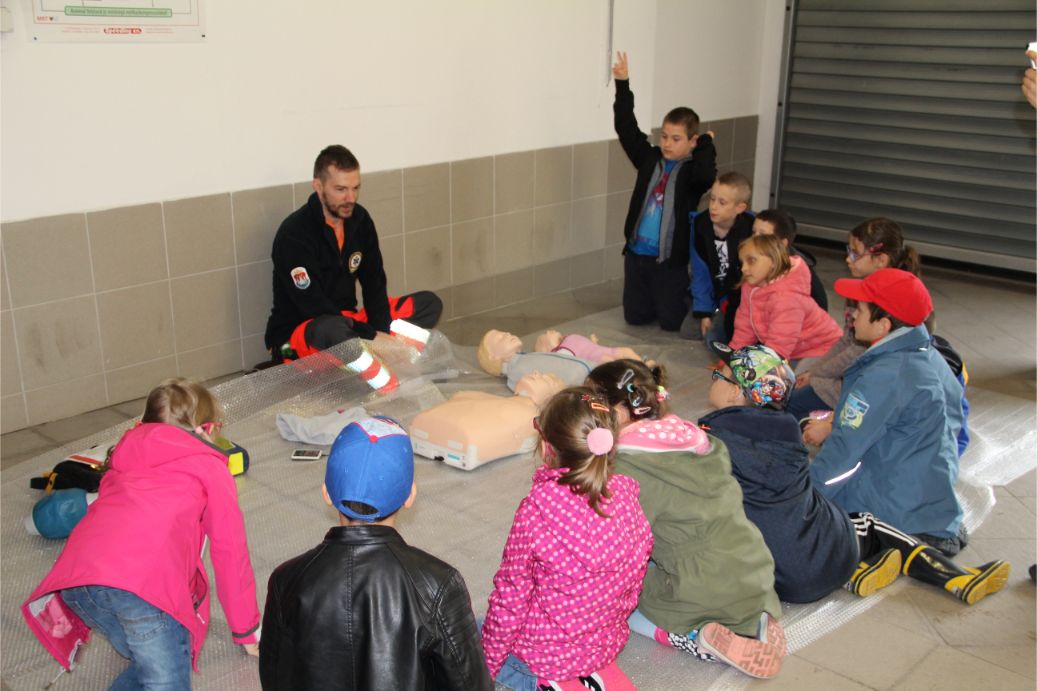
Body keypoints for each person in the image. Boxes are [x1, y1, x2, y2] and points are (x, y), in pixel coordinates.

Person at [702, 344, 1010, 606]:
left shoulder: (709, 442)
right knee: (864, 524)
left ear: (734, 393)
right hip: (818, 563)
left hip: (773, 578)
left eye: (719, 375)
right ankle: (952, 576)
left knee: (848, 527)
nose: (713, 379)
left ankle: (861, 570)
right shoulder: (789, 435)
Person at [22, 379, 261, 688]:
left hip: (79, 584)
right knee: (164, 675)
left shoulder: (124, 453)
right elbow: (230, 552)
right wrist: (246, 631)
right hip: (143, 589)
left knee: (153, 653)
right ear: (204, 429)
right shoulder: (210, 467)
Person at [586, 360, 786, 679]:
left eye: (591, 404)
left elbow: (615, 547)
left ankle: (693, 637)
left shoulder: (626, 468)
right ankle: (755, 617)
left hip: (699, 585)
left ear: (619, 412)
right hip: (754, 564)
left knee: (622, 604)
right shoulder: (698, 439)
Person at [260, 416, 492, 691]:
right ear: (410, 496)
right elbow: (470, 685)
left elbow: (274, 676)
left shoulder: (286, 580)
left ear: (326, 493)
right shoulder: (438, 585)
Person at [481, 387, 653, 690]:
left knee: (468, 628)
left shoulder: (537, 510)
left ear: (547, 446)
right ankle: (585, 674)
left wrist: (484, 668)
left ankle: (547, 680)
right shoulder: (628, 497)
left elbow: (511, 599)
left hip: (542, 654)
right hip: (604, 647)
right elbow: (632, 583)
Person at [808, 269, 968, 556]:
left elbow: (845, 452)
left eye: (859, 310)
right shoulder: (931, 357)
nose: (852, 316)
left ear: (883, 325)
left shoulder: (885, 375)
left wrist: (805, 499)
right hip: (933, 507)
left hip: (896, 515)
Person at [264, 145, 442, 362]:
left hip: (349, 321)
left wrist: (381, 330)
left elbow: (374, 282)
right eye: (341, 189)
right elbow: (313, 306)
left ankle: (374, 353)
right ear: (318, 186)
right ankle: (368, 356)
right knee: (334, 330)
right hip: (297, 337)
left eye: (356, 188)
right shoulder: (294, 234)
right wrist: (371, 336)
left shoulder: (360, 220)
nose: (350, 198)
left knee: (428, 304)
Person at [612, 51, 717, 331]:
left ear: (692, 141)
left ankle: (696, 299)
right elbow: (626, 127)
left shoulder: (691, 173)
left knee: (671, 322)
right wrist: (623, 84)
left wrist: (706, 144)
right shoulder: (650, 159)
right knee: (635, 317)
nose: (668, 144)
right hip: (637, 255)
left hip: (669, 260)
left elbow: (707, 175)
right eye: (665, 136)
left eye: (676, 139)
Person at [788, 217, 921, 423]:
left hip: (863, 387)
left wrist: (817, 376)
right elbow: (847, 340)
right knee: (802, 376)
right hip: (852, 371)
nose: (848, 259)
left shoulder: (891, 302)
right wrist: (814, 371)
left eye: (855, 253)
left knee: (792, 402)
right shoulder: (860, 290)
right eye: (848, 250)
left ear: (881, 260)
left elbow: (858, 353)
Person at [410, 372, 565, 471]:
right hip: (444, 432)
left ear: (550, 399)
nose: (536, 373)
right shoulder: (490, 399)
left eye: (546, 379)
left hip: (459, 437)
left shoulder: (532, 418)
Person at [727, 233, 841, 362]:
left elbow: (778, 348)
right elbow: (744, 328)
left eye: (751, 261)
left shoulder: (786, 298)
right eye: (742, 262)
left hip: (822, 351)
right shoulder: (751, 287)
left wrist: (758, 367)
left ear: (773, 261)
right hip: (791, 350)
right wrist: (733, 358)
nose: (744, 268)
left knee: (777, 375)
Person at [689, 172, 755, 347]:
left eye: (722, 202)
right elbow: (700, 271)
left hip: (738, 297)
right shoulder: (700, 225)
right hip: (715, 291)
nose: (713, 207)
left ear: (740, 208)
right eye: (712, 199)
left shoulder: (751, 228)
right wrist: (704, 312)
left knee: (715, 340)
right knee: (690, 329)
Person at [477, 329, 642, 392]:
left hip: (591, 374)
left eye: (504, 332)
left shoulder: (525, 359)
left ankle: (641, 378)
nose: (507, 333)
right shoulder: (516, 370)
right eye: (500, 338)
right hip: (588, 383)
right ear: (493, 357)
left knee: (623, 373)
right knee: (622, 377)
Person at [751, 208, 827, 311]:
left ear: (782, 243)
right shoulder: (749, 260)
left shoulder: (801, 273)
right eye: (753, 232)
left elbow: (821, 307)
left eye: (763, 235)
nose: (754, 239)